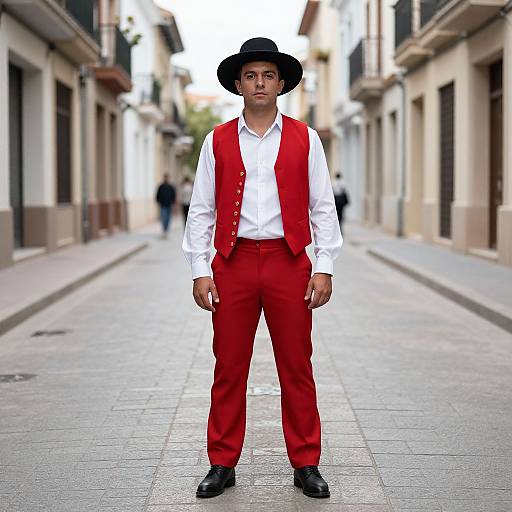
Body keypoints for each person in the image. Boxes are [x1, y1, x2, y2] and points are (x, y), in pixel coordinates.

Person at [182, 37, 343, 500]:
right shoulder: (215, 141)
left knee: (297, 365)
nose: (259, 82)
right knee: (228, 366)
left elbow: (322, 207)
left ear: (280, 84)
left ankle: (306, 461)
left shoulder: (305, 138)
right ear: (238, 83)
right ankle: (222, 461)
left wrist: (324, 265)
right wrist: (200, 268)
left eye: (268, 75)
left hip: (288, 260)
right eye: (251, 75)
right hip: (231, 263)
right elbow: (201, 210)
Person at [155, 174, 176, 238]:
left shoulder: (171, 187)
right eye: (165, 177)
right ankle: (164, 230)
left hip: (169, 205)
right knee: (163, 218)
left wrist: (173, 203)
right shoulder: (161, 187)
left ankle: (166, 230)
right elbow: (157, 195)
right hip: (163, 205)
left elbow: (173, 195)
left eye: (167, 178)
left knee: (168, 218)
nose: (166, 179)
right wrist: (159, 201)